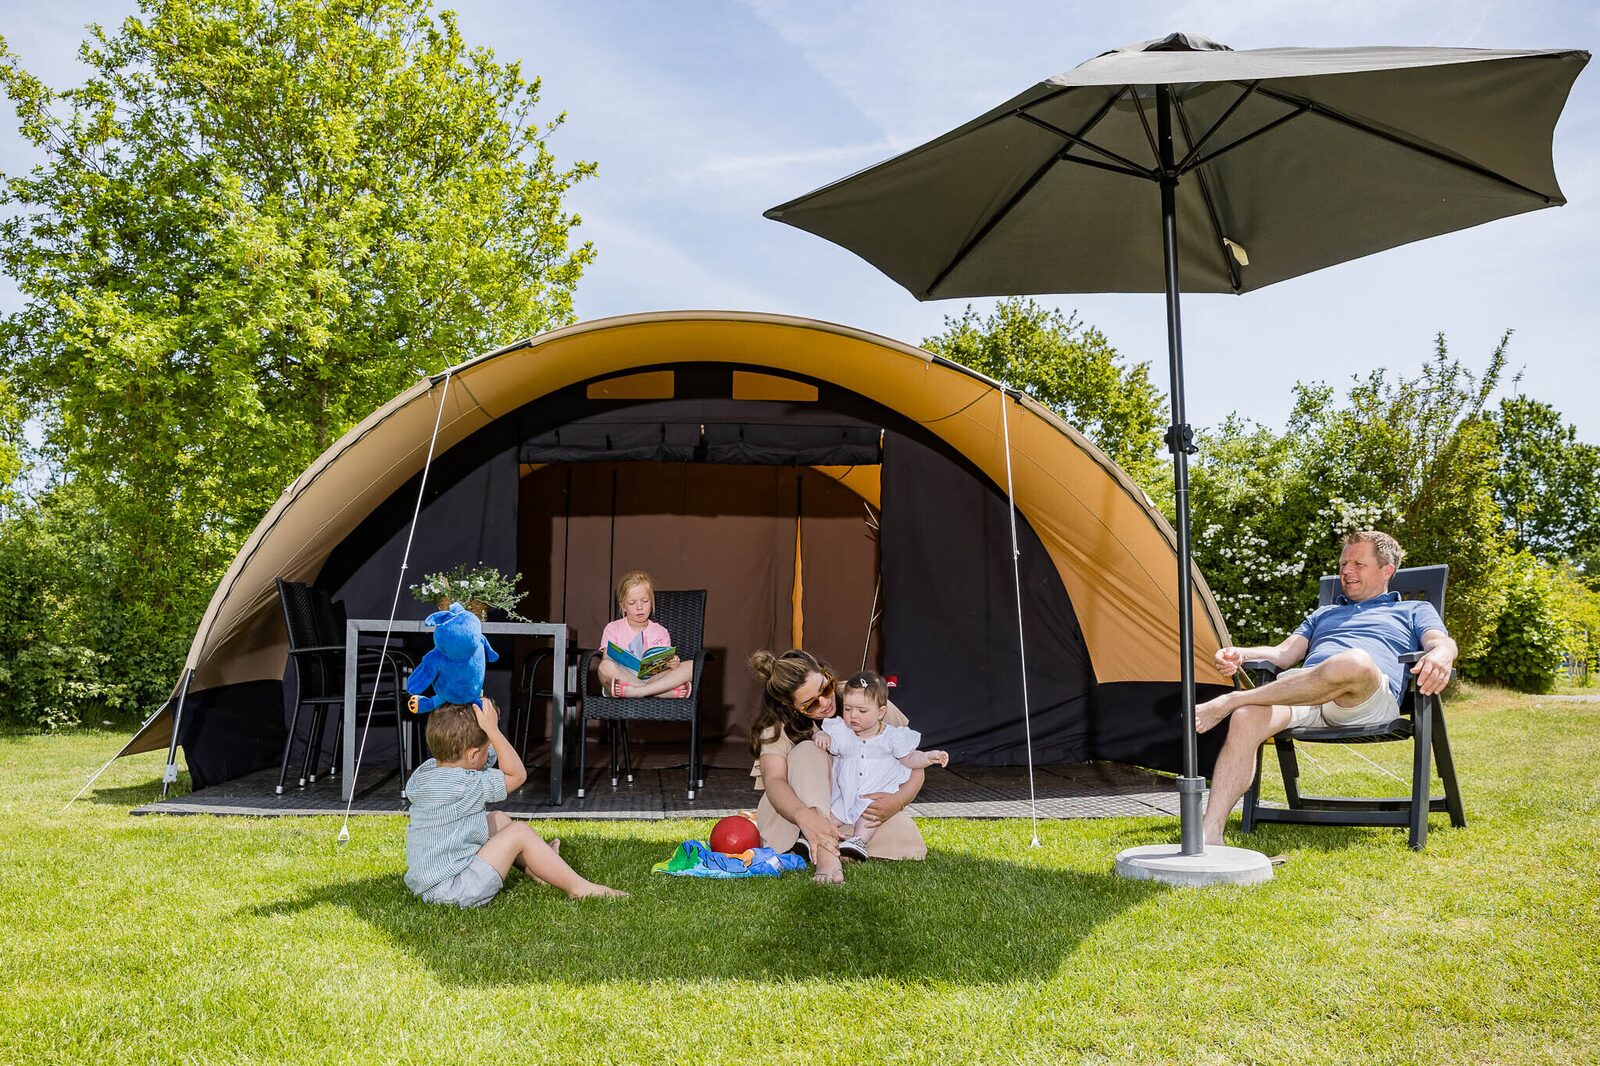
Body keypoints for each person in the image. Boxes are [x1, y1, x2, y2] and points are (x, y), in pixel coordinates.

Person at [1194, 530, 1457, 847]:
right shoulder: (1324, 613)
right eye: (1344, 563)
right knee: (1248, 716)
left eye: (1358, 563)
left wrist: (1442, 654)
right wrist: (1240, 653)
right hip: (1306, 694)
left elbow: (1440, 643)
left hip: (1363, 699)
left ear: (1387, 570)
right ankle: (1210, 833)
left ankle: (1233, 699)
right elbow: (1283, 654)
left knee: (1354, 662)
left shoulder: (1414, 610)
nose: (1346, 571)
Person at [403, 697, 625, 906]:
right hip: (455, 889)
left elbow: (481, 761)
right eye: (487, 745)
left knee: (497, 820)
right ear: (472, 756)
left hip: (427, 884)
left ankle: (542, 870)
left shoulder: (428, 771)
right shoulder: (465, 785)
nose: (491, 749)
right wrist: (492, 729)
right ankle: (579, 888)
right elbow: (516, 775)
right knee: (519, 832)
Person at [747, 649, 928, 885]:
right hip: (795, 813)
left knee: (908, 842)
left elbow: (913, 761)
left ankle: (831, 841)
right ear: (790, 706)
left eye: (825, 687)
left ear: (826, 673)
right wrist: (806, 818)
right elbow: (774, 782)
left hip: (852, 812)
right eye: (811, 704)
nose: (825, 702)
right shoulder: (776, 727)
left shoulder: (863, 697)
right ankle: (825, 853)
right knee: (808, 750)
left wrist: (899, 800)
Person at [813, 671, 948, 882]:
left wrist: (929, 757)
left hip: (870, 798)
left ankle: (857, 842)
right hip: (845, 797)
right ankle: (817, 840)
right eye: (848, 709)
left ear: (881, 712)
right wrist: (821, 735)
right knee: (829, 817)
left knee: (870, 817)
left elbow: (910, 759)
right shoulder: (842, 732)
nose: (853, 715)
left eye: (861, 710)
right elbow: (830, 742)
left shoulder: (892, 737)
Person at [598, 570, 694, 698]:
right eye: (632, 603)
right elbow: (607, 660)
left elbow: (664, 667)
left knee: (692, 666)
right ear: (623, 606)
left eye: (645, 601)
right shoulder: (613, 628)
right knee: (604, 667)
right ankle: (660, 693)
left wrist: (672, 663)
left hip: (651, 680)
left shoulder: (661, 631)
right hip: (623, 678)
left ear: (652, 602)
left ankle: (637, 692)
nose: (639, 607)